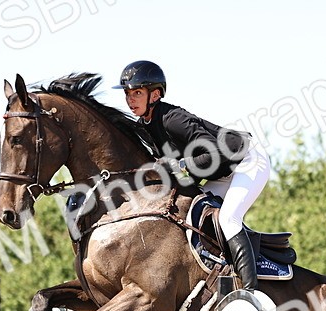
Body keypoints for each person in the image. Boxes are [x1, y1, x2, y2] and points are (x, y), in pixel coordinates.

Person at [115, 60, 270, 292]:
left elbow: (215, 153)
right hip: (221, 171)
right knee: (191, 214)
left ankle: (250, 291)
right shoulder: (145, 126)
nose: (130, 99)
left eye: (137, 92)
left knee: (228, 219)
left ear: (155, 95)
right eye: (128, 93)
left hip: (246, 161)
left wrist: (179, 165)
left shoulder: (172, 118)